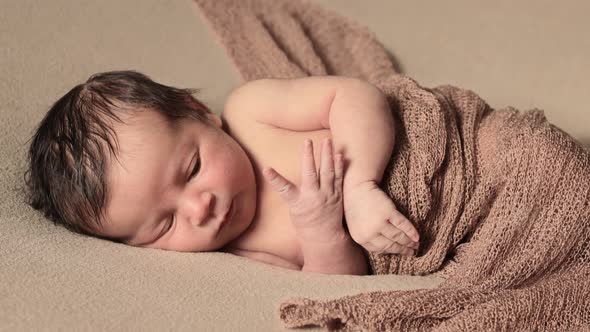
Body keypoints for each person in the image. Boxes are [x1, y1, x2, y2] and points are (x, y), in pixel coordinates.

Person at [25, 70, 420, 275]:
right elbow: (341, 283)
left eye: (193, 169)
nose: (200, 209)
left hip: (425, 152)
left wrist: (360, 185)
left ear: (199, 112)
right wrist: (322, 232)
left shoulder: (251, 112)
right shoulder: (241, 253)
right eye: (164, 225)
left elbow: (352, 95)